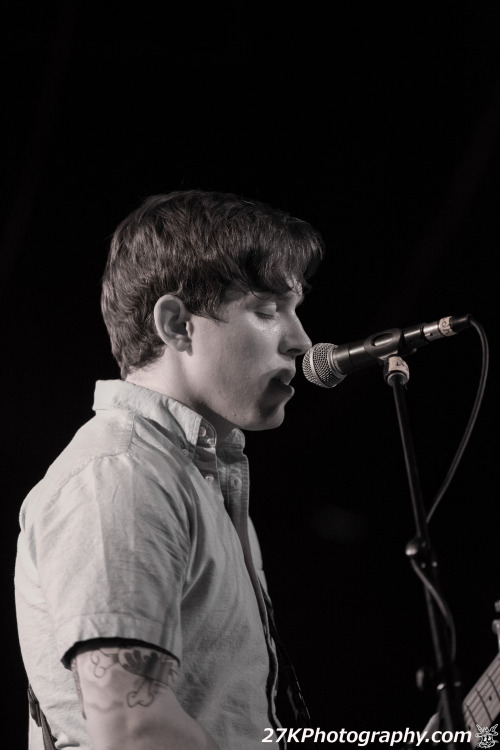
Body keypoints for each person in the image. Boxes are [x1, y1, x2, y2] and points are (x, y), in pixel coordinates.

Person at [14, 189, 324, 750]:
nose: (301, 340)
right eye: (266, 310)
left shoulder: (198, 480)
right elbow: (131, 728)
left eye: (295, 310)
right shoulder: (122, 475)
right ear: (177, 324)